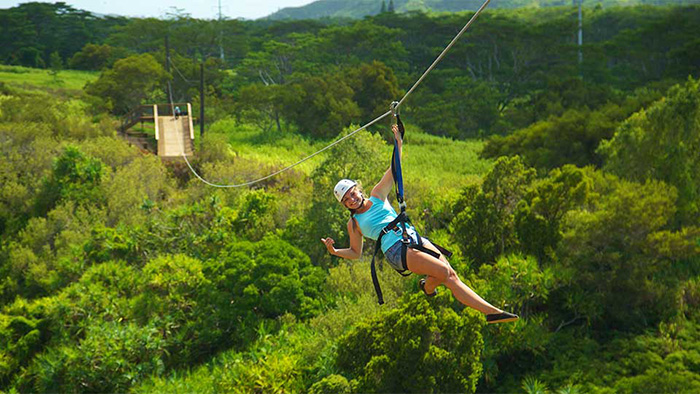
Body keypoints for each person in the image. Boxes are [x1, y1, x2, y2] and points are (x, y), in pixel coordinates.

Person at [321, 124, 518, 324]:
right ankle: (490, 312)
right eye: (347, 200)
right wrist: (335, 251)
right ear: (345, 205)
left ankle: (429, 288)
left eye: (352, 194)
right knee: (444, 273)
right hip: (396, 250)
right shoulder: (353, 223)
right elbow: (356, 253)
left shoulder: (377, 195)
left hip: (412, 236)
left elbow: (394, 169)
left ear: (358, 189)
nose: (352, 199)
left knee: (451, 274)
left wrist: (398, 143)